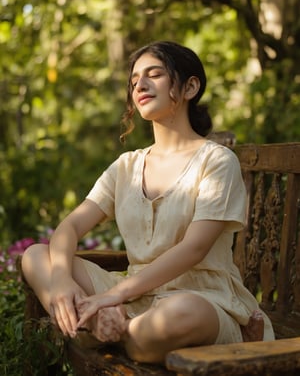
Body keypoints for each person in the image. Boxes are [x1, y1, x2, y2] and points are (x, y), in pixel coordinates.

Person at [21, 41, 274, 364]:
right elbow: (70, 226)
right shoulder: (127, 166)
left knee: (184, 312)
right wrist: (60, 281)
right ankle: (113, 328)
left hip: (202, 299)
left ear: (190, 86)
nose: (140, 85)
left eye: (154, 75)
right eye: (134, 80)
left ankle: (111, 330)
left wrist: (110, 297)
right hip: (133, 297)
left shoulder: (216, 161)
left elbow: (194, 249)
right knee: (36, 256)